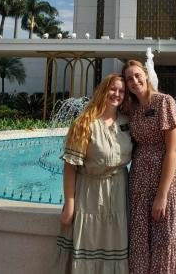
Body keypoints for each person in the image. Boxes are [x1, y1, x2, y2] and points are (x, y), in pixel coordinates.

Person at [56, 73, 132, 274]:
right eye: (113, 89)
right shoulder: (84, 123)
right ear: (103, 90)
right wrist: (69, 205)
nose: (117, 94)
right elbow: (70, 167)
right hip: (90, 193)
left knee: (116, 242)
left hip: (118, 194)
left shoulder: (127, 121)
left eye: (122, 91)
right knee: (89, 239)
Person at [122, 60, 176, 274]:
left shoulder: (164, 102)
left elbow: (172, 151)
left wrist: (162, 195)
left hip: (167, 185)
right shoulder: (131, 109)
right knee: (141, 241)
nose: (134, 81)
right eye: (129, 79)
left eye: (137, 75)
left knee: (168, 239)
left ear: (145, 74)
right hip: (139, 184)